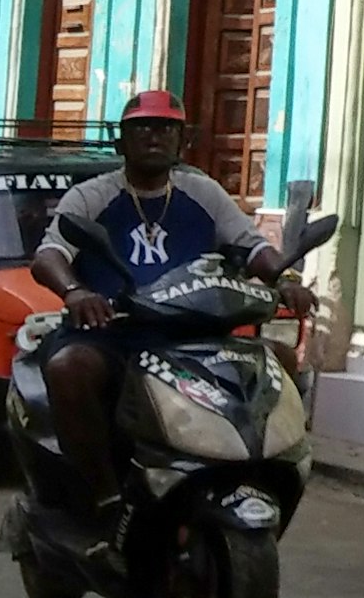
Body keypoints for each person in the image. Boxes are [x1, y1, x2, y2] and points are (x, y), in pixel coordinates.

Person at [31, 90, 289, 528]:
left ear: (182, 141)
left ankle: (257, 476)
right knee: (69, 368)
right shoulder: (91, 196)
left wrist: (284, 280)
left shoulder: (203, 192)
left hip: (190, 336)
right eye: (142, 128)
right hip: (115, 334)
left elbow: (252, 245)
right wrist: (76, 292)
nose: (155, 136)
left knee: (278, 363)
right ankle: (105, 495)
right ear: (121, 141)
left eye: (166, 128)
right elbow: (49, 254)